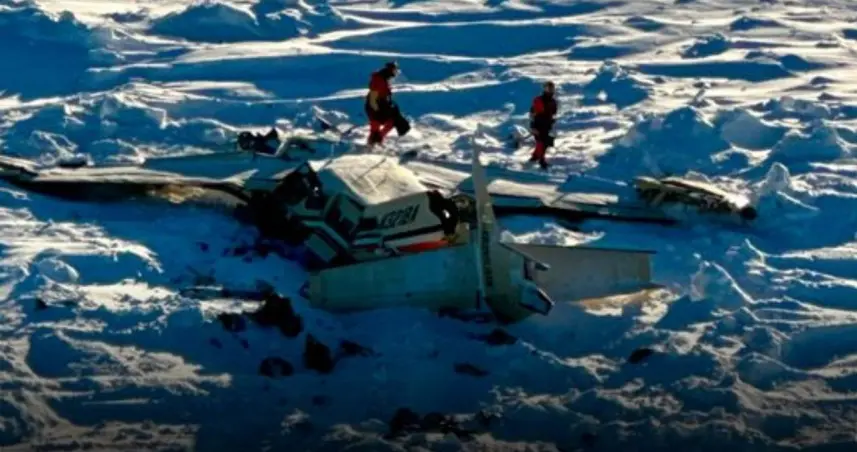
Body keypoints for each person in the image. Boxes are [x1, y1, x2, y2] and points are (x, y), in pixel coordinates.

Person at [365, 61, 400, 146]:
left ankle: (377, 141)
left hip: (381, 105)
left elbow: (385, 94)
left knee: (392, 122)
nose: (396, 72)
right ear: (390, 70)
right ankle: (372, 145)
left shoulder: (385, 79)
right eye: (394, 70)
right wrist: (376, 111)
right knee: (375, 128)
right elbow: (373, 97)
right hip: (374, 107)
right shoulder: (378, 80)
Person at [528, 81, 558, 170]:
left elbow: (554, 113)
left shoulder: (553, 101)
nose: (550, 91)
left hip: (548, 125)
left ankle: (535, 156)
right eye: (548, 88)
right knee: (542, 142)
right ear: (544, 89)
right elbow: (532, 113)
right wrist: (533, 126)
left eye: (552, 89)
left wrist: (553, 121)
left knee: (545, 142)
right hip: (538, 124)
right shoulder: (539, 100)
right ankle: (541, 160)